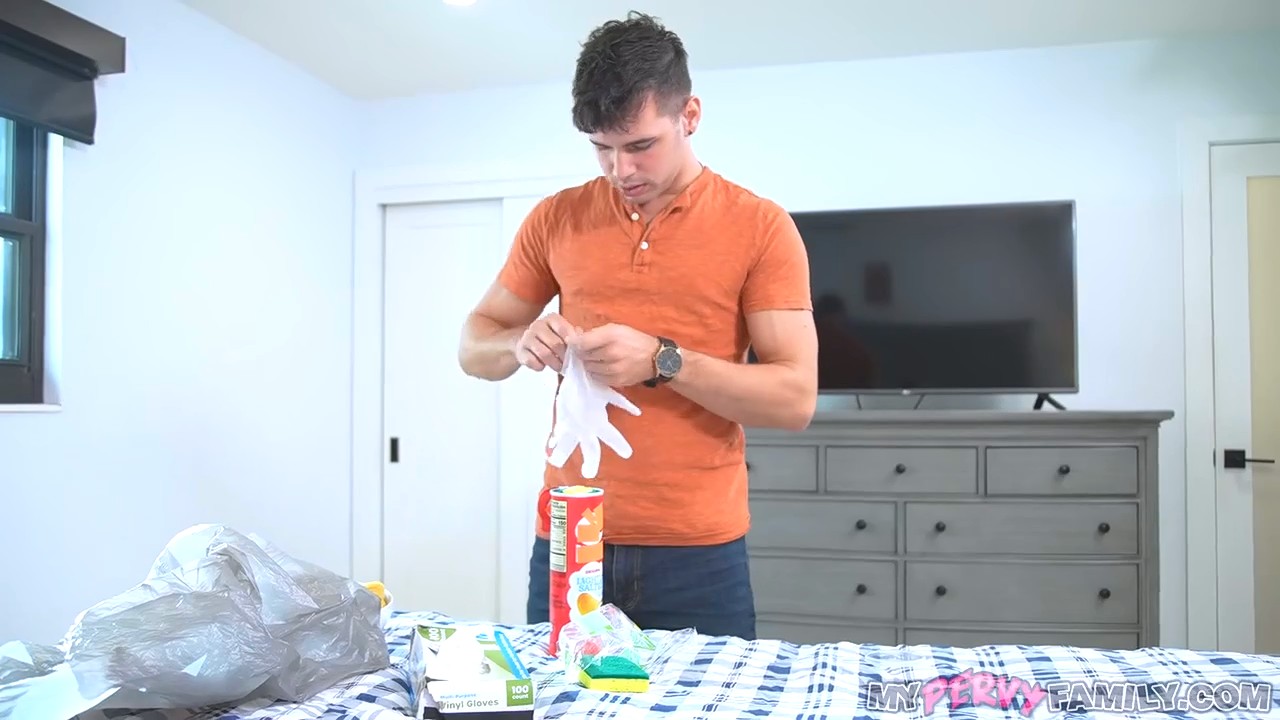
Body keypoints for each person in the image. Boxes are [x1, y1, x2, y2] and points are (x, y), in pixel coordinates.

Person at [457, 11, 817, 640]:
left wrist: (662, 360)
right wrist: (519, 341)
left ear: (690, 115)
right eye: (602, 148)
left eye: (640, 145)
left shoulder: (760, 227)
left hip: (698, 551)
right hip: (570, 536)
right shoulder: (556, 219)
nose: (620, 170)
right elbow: (473, 346)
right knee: (560, 694)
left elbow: (794, 399)